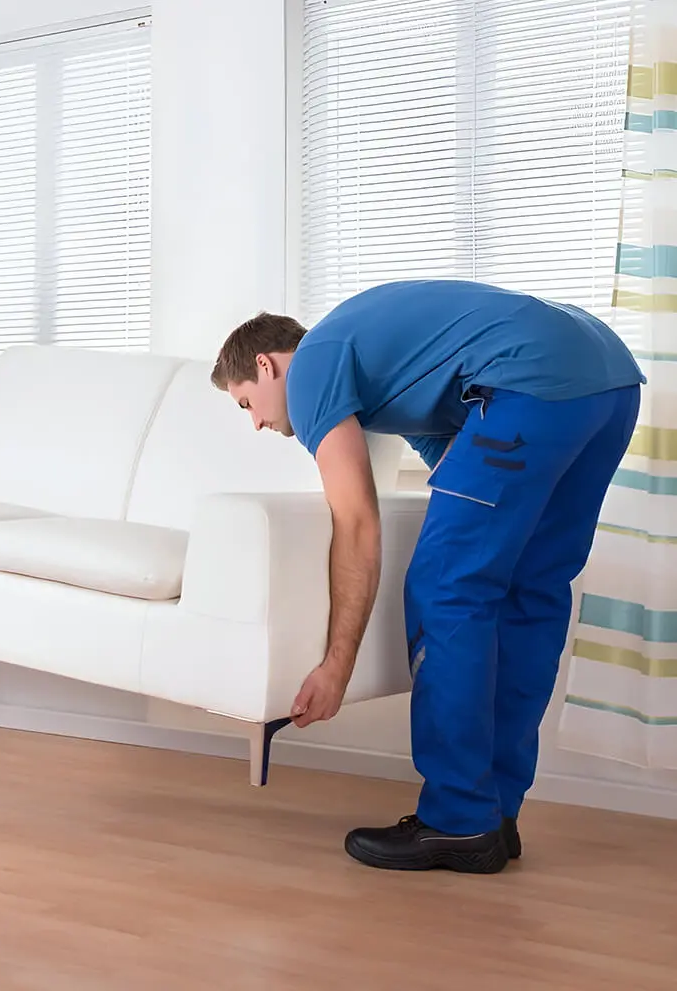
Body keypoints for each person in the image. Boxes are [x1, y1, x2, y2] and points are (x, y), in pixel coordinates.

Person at [210, 279, 645, 873]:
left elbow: (357, 525)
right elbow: (466, 476)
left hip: (530, 381)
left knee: (446, 587)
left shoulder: (311, 366)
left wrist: (336, 666)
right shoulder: (397, 376)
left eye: (245, 403)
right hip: (608, 382)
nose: (256, 424)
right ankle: (494, 814)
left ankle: (459, 818)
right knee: (528, 589)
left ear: (266, 364)